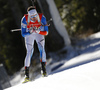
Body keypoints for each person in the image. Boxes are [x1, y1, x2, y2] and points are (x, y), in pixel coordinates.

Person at [21, 6, 48, 83]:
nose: (34, 18)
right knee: (29, 51)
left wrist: (39, 31)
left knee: (42, 48)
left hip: (39, 32)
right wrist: (30, 32)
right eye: (32, 17)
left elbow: (46, 32)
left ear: (37, 14)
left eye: (35, 16)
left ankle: (44, 70)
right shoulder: (24, 19)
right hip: (30, 34)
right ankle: (26, 75)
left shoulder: (42, 18)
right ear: (29, 15)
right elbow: (23, 34)